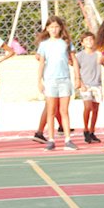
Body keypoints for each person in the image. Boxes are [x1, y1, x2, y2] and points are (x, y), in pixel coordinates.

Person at [37, 15, 79, 151]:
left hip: (64, 80)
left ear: (60, 28)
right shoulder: (44, 45)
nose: (54, 29)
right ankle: (51, 140)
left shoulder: (66, 43)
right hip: (50, 80)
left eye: (56, 27)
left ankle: (68, 140)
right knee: (51, 111)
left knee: (64, 111)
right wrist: (39, 81)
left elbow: (74, 61)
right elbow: (41, 63)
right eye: (51, 27)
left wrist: (77, 78)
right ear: (47, 29)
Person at [75, 31, 102, 143]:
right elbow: (76, 70)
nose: (89, 42)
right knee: (88, 107)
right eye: (86, 40)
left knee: (95, 109)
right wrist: (80, 83)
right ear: (82, 43)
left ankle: (92, 131)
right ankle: (85, 129)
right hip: (85, 85)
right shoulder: (79, 56)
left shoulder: (98, 54)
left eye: (91, 39)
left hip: (97, 84)